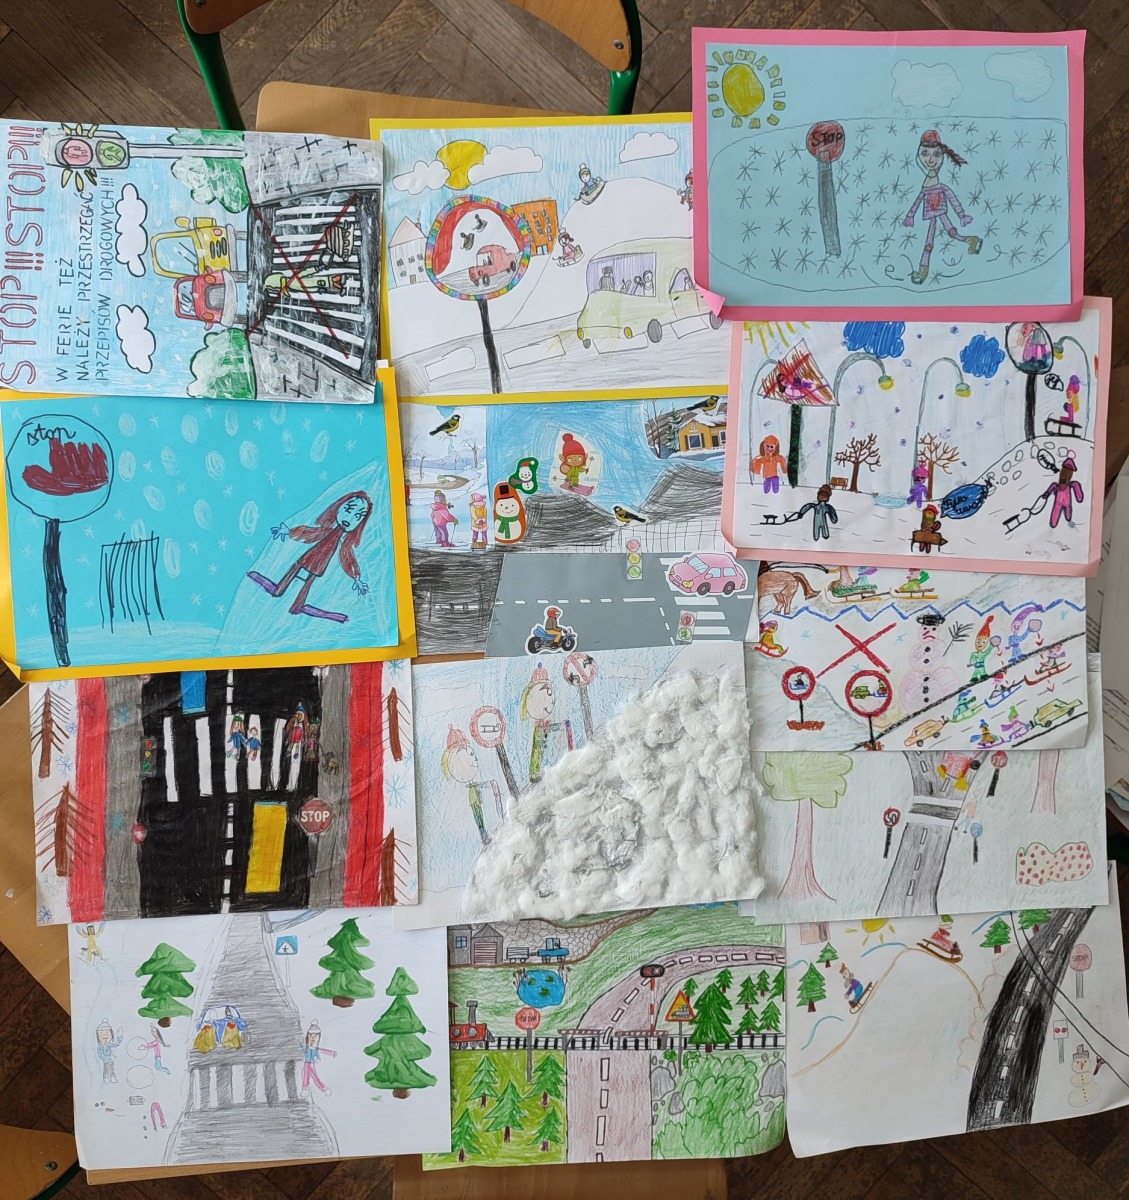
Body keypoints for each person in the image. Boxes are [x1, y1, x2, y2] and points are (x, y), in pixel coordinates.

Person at [248, 491, 372, 616]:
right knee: (294, 569)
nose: (349, 518)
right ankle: (279, 590)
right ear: (338, 507)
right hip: (310, 556)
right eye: (348, 509)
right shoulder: (326, 531)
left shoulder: (343, 543)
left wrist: (356, 577)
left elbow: (347, 558)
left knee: (308, 580)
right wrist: (289, 532)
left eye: (358, 517)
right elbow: (310, 533)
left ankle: (298, 604)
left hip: (320, 562)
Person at [902, 129, 982, 285]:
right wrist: (910, 216)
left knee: (932, 241)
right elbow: (918, 201)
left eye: (936, 154)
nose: (930, 159)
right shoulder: (927, 187)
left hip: (938, 212)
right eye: (925, 153)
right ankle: (972, 240)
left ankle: (923, 271)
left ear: (942, 157)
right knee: (947, 234)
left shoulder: (939, 187)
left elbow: (952, 199)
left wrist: (961, 215)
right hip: (934, 214)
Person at [441, 726, 491, 845]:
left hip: (474, 796)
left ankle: (484, 835)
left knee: (479, 815)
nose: (473, 758)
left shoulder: (471, 779)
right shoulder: (458, 769)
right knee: (478, 816)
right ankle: (483, 835)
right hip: (472, 799)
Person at [1042, 453, 1084, 529]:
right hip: (1061, 503)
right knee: (1059, 513)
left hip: (1064, 503)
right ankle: (1057, 521)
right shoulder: (1059, 485)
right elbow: (1079, 497)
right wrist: (1047, 493)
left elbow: (1079, 496)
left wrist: (1047, 493)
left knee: (1064, 514)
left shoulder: (1071, 484)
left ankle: (1059, 520)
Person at [301, 1021, 336, 1096]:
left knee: (314, 1076)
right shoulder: (306, 1047)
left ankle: (322, 1088)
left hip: (311, 1063)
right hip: (307, 1063)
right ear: (308, 1037)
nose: (313, 1038)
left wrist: (318, 1058)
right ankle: (308, 1089)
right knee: (307, 1074)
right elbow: (302, 1049)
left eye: (315, 1037)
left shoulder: (315, 1049)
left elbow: (319, 1053)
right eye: (311, 1036)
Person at [95, 1018, 122, 1083]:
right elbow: (100, 1055)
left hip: (110, 1060)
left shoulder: (109, 1045)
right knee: (106, 1069)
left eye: (107, 1033)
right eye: (101, 1033)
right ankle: (106, 1078)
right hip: (106, 1061)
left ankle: (112, 1077)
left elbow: (116, 1044)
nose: (104, 1035)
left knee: (111, 1068)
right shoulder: (100, 1047)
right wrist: (108, 1057)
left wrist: (120, 1037)